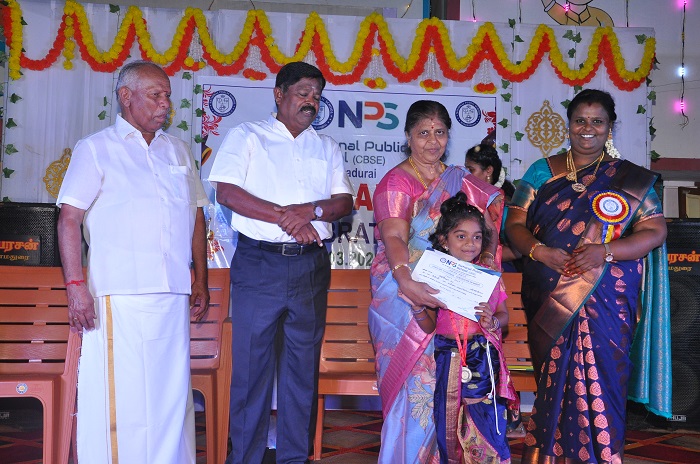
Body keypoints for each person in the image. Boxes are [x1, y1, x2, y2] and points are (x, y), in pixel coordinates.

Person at [505, 88, 671, 463]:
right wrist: (539, 251)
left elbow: (655, 231)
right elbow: (514, 225)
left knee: (605, 381)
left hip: (606, 299)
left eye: (597, 121)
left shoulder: (629, 179)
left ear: (610, 127)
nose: (587, 128)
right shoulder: (542, 171)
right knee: (553, 384)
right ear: (568, 124)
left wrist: (605, 251)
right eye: (580, 120)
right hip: (549, 293)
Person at [56, 60, 210, 463]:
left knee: (170, 397)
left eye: (168, 96)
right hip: (118, 296)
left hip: (173, 293)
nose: (165, 104)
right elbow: (69, 219)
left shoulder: (178, 150)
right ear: (126, 97)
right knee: (122, 396)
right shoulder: (96, 148)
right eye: (156, 95)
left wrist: (201, 278)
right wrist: (75, 287)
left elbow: (196, 215)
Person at [207, 61, 354, 464]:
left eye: (317, 96)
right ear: (279, 94)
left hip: (310, 268)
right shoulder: (247, 136)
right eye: (303, 92)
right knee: (251, 372)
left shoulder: (326, 146)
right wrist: (287, 218)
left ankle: (294, 458)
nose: (311, 101)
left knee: (301, 374)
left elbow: (344, 202)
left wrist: (311, 211)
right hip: (260, 264)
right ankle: (244, 458)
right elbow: (227, 193)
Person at [367, 100, 508, 463]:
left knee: (452, 387)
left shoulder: (462, 182)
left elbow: (484, 233)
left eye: (440, 132)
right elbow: (394, 237)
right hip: (404, 293)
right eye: (423, 133)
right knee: (416, 387)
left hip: (455, 296)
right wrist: (406, 282)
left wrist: (484, 280)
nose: (432, 141)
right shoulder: (396, 181)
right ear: (408, 137)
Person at [422, 191, 517, 463]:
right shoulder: (434, 275)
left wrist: (493, 321)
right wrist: (417, 306)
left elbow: (504, 315)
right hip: (445, 354)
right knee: (447, 421)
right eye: (461, 236)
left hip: (481, 355)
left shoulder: (488, 277)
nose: (470, 244)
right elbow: (427, 326)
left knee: (484, 419)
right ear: (444, 240)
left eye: (476, 237)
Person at [464, 143, 521, 268]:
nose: (466, 175)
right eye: (465, 169)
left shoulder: (504, 205)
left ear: (488, 170)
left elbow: (518, 251)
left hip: (500, 267)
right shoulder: (467, 197)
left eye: (471, 170)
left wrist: (485, 257)